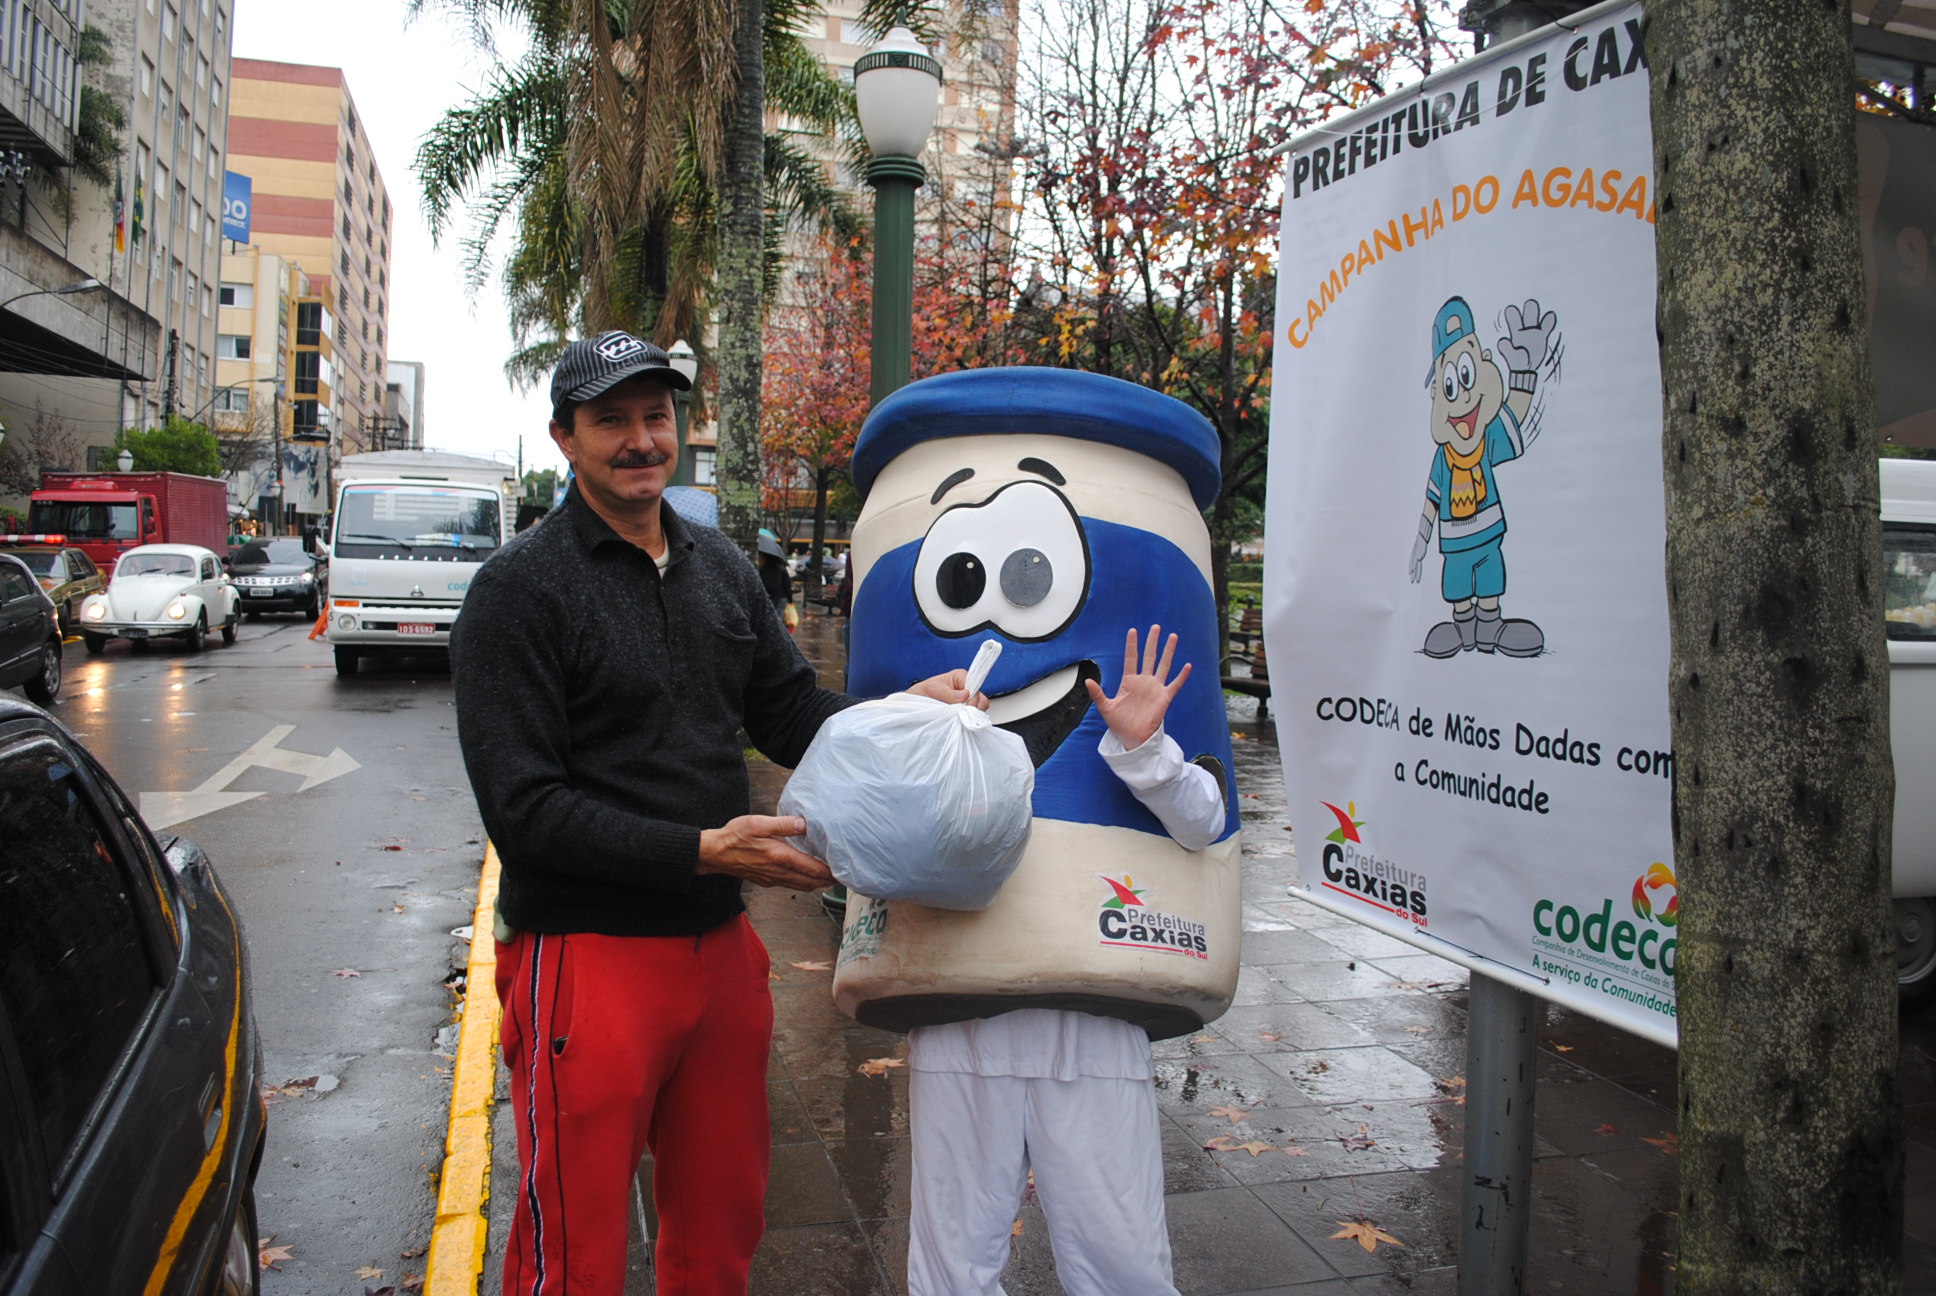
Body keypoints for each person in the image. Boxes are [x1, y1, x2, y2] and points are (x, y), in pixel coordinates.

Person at [449, 330, 975, 1296]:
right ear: (565, 437)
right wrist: (703, 850)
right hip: (586, 955)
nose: (641, 440)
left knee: (724, 1225)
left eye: (657, 416)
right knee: (574, 1248)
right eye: (611, 420)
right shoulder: (517, 591)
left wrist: (901, 714)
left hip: (719, 954)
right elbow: (526, 813)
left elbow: (790, 712)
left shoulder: (721, 568)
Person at [906, 625, 1223, 1296]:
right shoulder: (929, 704)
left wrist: (1145, 748)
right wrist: (911, 722)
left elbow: (1206, 824)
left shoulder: (1133, 717)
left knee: (1124, 1265)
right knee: (950, 1270)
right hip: (961, 1015)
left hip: (1095, 1024)